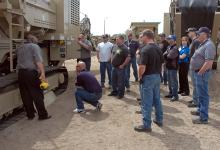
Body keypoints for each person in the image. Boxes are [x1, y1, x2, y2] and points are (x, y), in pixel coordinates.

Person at [134, 29, 163, 132]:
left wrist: (140, 77)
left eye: (142, 36)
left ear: (146, 36)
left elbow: (142, 66)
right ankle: (159, 119)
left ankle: (146, 125)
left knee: (146, 102)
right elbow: (161, 64)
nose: (141, 38)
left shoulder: (145, 49)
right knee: (157, 99)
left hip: (148, 77)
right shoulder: (158, 48)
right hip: (157, 76)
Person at [16, 34, 51, 120]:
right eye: (36, 38)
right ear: (32, 39)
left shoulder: (20, 48)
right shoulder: (34, 47)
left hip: (21, 74)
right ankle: (42, 115)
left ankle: (30, 115)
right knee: (37, 95)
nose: (37, 39)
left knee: (25, 95)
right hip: (31, 73)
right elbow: (38, 61)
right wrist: (42, 73)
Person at [190, 27, 216, 124]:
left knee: (203, 95)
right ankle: (200, 111)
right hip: (199, 73)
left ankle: (203, 118)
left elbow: (209, 62)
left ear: (204, 34)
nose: (197, 36)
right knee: (201, 94)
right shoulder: (203, 44)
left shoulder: (209, 45)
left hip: (202, 73)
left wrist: (200, 72)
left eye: (198, 34)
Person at [108, 35, 130, 99]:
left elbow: (128, 58)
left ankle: (121, 94)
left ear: (122, 40)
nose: (116, 41)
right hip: (114, 67)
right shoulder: (115, 46)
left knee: (120, 82)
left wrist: (122, 65)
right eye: (116, 39)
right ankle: (114, 91)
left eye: (117, 39)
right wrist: (112, 60)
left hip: (120, 68)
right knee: (113, 80)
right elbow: (113, 53)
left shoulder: (124, 48)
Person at [186, 27, 201, 108]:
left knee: (196, 84)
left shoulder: (196, 41)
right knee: (194, 84)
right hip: (192, 65)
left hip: (195, 66)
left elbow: (197, 55)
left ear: (193, 32)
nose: (188, 34)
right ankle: (195, 99)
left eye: (189, 32)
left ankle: (196, 101)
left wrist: (195, 66)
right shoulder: (193, 41)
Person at [163, 35, 179, 102]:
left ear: (174, 40)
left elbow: (169, 57)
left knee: (174, 82)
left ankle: (175, 96)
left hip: (173, 67)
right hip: (168, 66)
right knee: (169, 81)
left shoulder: (175, 48)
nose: (169, 40)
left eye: (170, 39)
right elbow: (164, 55)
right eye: (168, 39)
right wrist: (166, 54)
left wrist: (166, 54)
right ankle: (171, 93)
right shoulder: (169, 47)